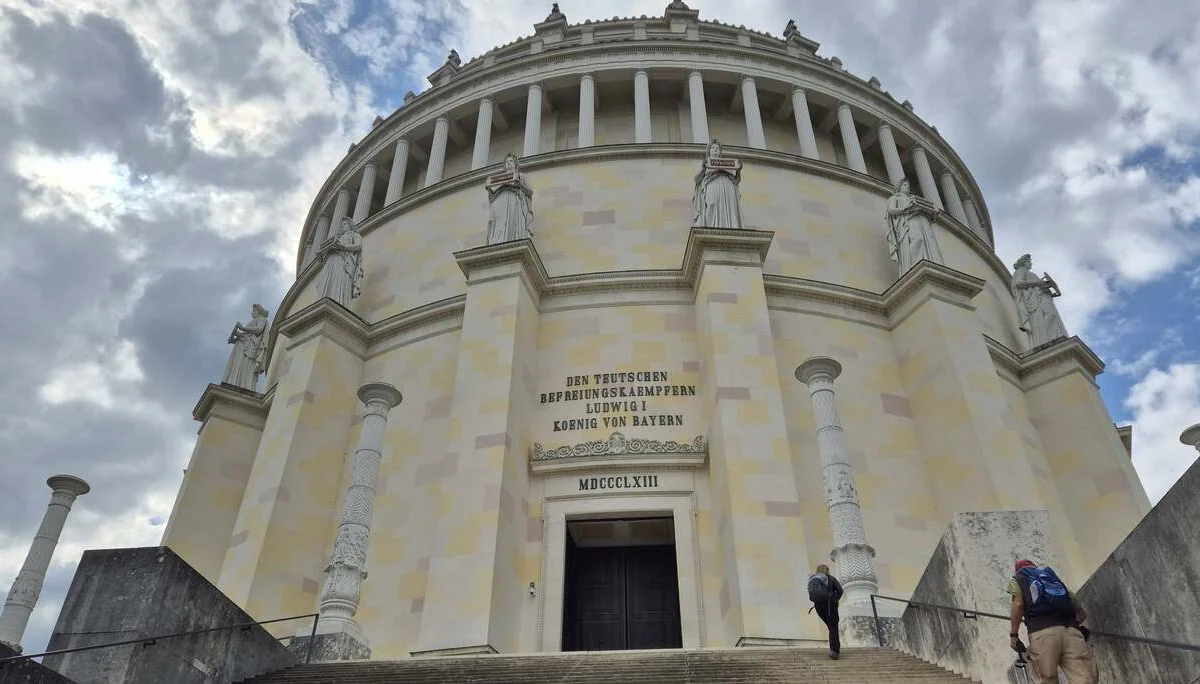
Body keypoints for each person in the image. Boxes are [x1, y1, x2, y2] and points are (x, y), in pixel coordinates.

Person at [1007, 559, 1098, 683]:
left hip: (1043, 633)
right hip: (1071, 631)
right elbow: (1081, 613)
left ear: (1018, 571)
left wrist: (1014, 635)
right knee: (1085, 677)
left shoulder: (1018, 579)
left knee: (1047, 678)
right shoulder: (1051, 579)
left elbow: (1018, 604)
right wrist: (1074, 626)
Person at [807, 563, 844, 660]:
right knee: (833, 627)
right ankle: (835, 651)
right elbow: (840, 590)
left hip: (818, 606)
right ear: (826, 570)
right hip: (829, 605)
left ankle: (834, 648)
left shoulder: (812, 578)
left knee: (831, 627)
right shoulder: (830, 578)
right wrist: (835, 599)